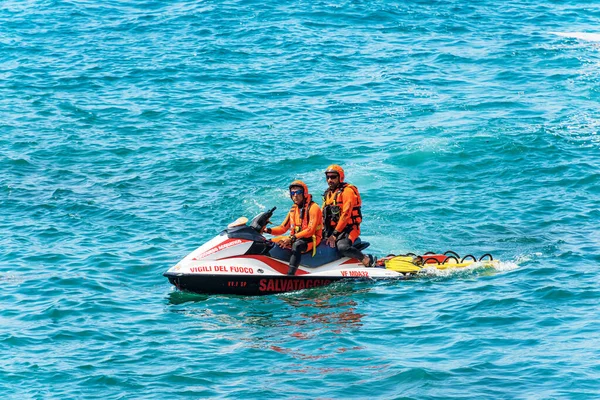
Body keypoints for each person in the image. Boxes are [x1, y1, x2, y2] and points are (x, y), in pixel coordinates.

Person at [264, 180, 323, 275]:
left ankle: (290, 275)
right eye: (293, 192)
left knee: (297, 246)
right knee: (269, 242)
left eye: (298, 192)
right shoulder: (293, 209)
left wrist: (291, 239)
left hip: (311, 239)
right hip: (295, 238)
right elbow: (283, 228)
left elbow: (310, 230)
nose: (295, 195)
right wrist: (267, 230)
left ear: (304, 193)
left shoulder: (314, 208)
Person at [322, 164, 375, 267]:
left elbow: (346, 215)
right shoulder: (328, 193)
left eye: (333, 177)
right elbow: (322, 214)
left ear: (340, 177)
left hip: (349, 229)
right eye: (328, 177)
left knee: (343, 247)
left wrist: (334, 235)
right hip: (333, 229)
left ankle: (365, 259)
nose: (329, 180)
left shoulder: (347, 191)